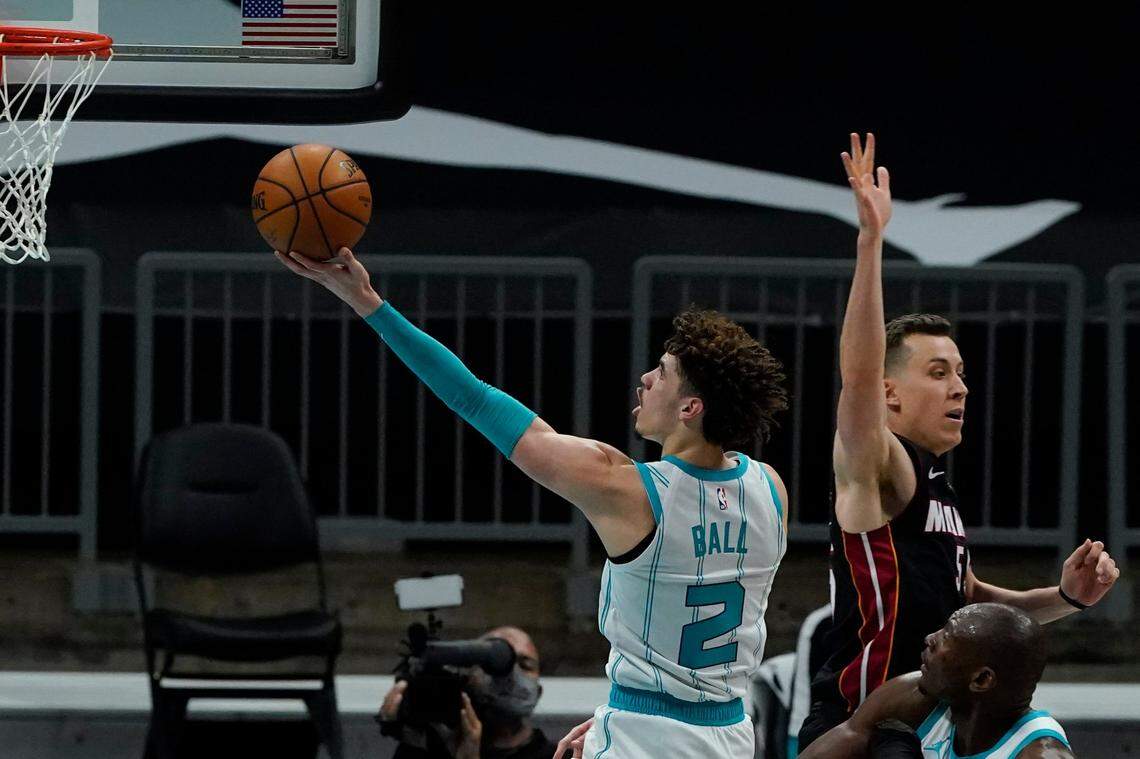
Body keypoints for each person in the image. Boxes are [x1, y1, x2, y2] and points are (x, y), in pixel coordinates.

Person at [274, 247, 790, 758]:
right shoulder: (769, 489)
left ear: (689, 408)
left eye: (662, 372)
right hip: (729, 733)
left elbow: (474, 397)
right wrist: (624, 711)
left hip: (647, 740)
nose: (646, 379)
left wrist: (368, 302)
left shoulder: (626, 489)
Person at [799, 133, 1120, 751]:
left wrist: (1067, 598)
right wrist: (870, 242)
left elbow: (972, 601)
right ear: (890, 394)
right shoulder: (881, 466)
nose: (960, 387)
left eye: (962, 373)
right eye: (939, 373)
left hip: (931, 720)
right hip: (863, 725)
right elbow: (858, 374)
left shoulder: (936, 484)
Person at [799, 603, 1074, 759]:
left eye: (946, 636)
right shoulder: (909, 698)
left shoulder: (1040, 753)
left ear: (981, 679)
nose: (930, 638)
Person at [378, 626, 561, 759]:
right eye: (491, 663)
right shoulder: (434, 750)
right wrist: (413, 741)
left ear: (538, 692)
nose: (509, 675)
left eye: (525, 665)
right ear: (470, 678)